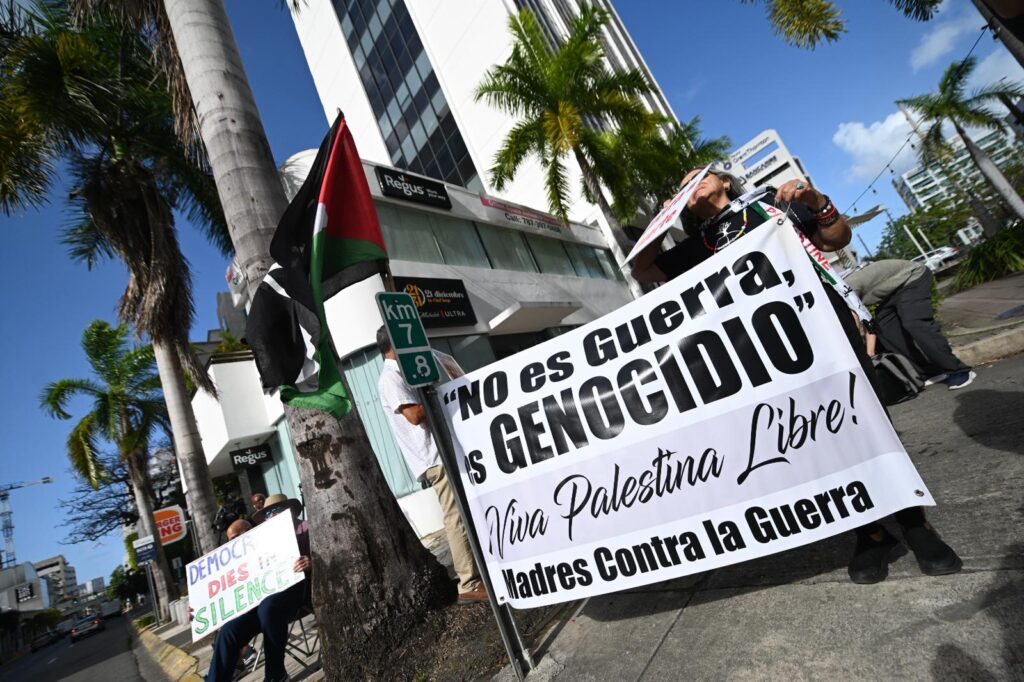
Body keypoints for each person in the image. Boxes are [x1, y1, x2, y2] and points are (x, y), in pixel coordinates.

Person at [631, 167, 961, 584]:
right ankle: (870, 531)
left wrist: (815, 201)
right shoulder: (698, 245)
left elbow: (836, 239)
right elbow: (644, 270)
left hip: (824, 328)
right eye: (682, 188)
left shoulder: (771, 205)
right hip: (769, 353)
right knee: (815, 437)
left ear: (726, 181)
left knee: (868, 420)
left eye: (698, 177)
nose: (690, 186)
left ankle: (914, 522)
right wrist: (663, 221)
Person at [375, 326, 488, 603]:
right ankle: (468, 582)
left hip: (443, 451)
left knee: (465, 510)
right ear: (394, 345)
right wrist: (440, 393)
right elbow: (414, 415)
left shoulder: (403, 373)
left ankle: (479, 571)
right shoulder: (390, 377)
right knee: (455, 516)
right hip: (433, 457)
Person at [207, 494, 311, 682]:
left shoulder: (305, 529)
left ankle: (275, 676)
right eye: (269, 514)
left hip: (295, 597)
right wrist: (202, 608)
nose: (274, 516)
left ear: (290, 510)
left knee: (268, 607)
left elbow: (327, 554)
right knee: (229, 631)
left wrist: (311, 562)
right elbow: (224, 590)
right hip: (259, 609)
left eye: (278, 510)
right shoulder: (241, 556)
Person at [845, 259, 975, 389]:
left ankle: (959, 370)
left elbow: (856, 324)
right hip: (890, 292)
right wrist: (869, 353)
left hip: (912, 277)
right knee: (885, 328)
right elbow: (868, 322)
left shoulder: (842, 289)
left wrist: (869, 354)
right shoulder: (838, 295)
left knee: (915, 323)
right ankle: (931, 371)